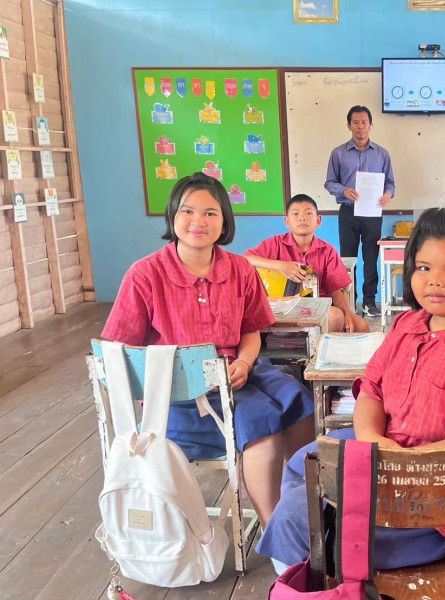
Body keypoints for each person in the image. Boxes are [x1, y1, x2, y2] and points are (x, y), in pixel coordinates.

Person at [259, 208, 445, 569]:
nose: (435, 281)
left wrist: (395, 465)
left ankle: (309, 572)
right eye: (424, 267)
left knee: (318, 527)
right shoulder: (409, 324)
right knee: (304, 464)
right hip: (390, 455)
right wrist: (374, 441)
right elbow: (372, 390)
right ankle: (306, 566)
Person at [101, 172, 314, 527]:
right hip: (178, 395)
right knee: (263, 430)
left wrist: (244, 361)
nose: (198, 221)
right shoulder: (144, 275)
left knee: (301, 403)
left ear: (224, 221)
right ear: (172, 215)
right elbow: (118, 354)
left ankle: (300, 509)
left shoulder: (241, 269)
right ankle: (276, 532)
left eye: (210, 213)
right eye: (187, 211)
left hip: (239, 374)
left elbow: (250, 331)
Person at [244, 194, 369, 333]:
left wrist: (346, 312)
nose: (302, 218)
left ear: (318, 220)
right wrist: (281, 266)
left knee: (361, 326)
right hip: (282, 306)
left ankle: (323, 344)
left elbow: (335, 289)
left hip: (319, 306)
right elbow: (246, 259)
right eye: (295, 214)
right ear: (287, 221)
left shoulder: (327, 250)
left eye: (308, 213)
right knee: (335, 317)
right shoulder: (275, 244)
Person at [324, 105, 395, 318]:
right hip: (348, 211)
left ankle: (369, 301)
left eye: (364, 122)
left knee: (371, 257)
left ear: (371, 125)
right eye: (356, 122)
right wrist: (344, 190)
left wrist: (388, 194)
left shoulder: (382, 154)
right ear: (349, 126)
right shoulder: (338, 153)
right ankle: (349, 301)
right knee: (348, 259)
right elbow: (329, 182)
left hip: (373, 212)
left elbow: (390, 183)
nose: (360, 127)